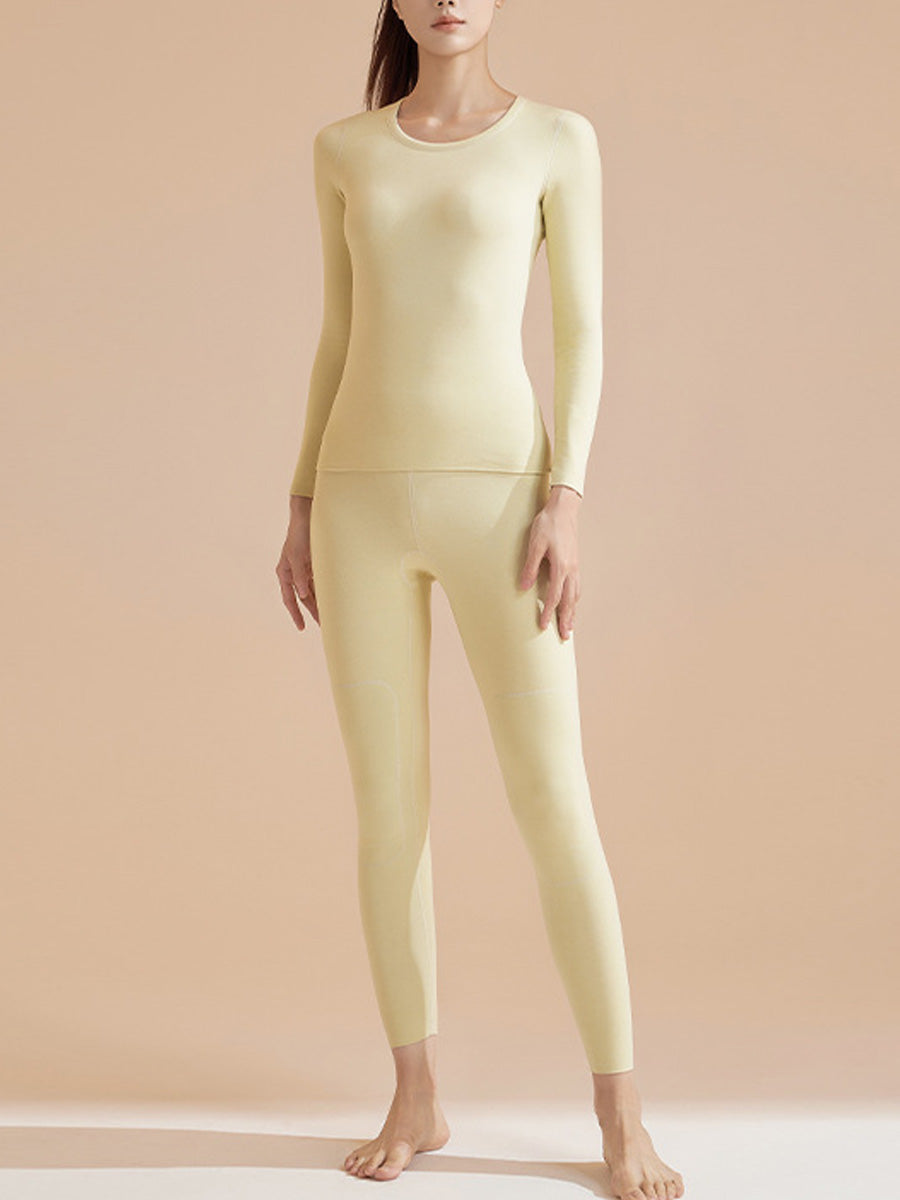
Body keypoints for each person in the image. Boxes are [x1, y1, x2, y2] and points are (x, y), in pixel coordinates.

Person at [276, 2, 685, 1196]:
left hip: (502, 500)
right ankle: (416, 1094)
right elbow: (338, 333)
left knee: (554, 800)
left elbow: (583, 330)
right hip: (356, 502)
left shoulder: (557, 138)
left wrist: (568, 497)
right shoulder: (344, 149)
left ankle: (619, 1114)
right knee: (388, 810)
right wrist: (300, 502)